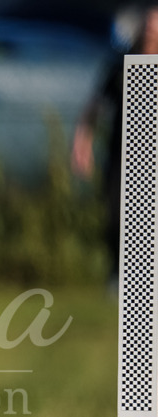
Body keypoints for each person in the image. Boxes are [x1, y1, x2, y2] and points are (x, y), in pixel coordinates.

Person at [72, 5, 158, 279]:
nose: (151, 30)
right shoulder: (121, 65)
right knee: (117, 215)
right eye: (149, 24)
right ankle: (118, 275)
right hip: (122, 155)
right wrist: (82, 143)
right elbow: (95, 107)